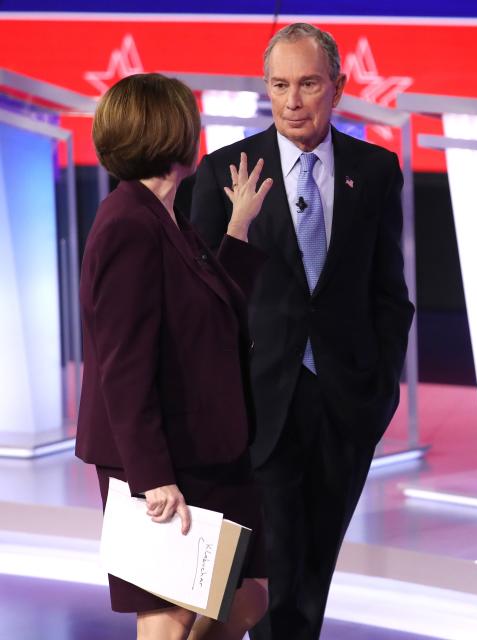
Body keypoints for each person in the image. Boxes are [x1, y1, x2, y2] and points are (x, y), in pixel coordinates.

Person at [189, 23, 414, 639]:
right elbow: (204, 308)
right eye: (280, 84)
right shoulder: (222, 173)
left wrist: (379, 392)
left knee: (312, 576)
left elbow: (389, 294)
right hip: (259, 408)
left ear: (337, 88)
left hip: (344, 404)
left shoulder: (374, 171)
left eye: (309, 84)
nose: (292, 100)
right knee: (273, 578)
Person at [75, 73, 274, 640]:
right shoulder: (127, 226)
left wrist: (237, 230)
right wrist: (152, 477)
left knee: (244, 596)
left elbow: (206, 316)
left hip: (204, 445)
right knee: (170, 614)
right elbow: (123, 365)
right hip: (160, 457)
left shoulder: (164, 215)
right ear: (172, 133)